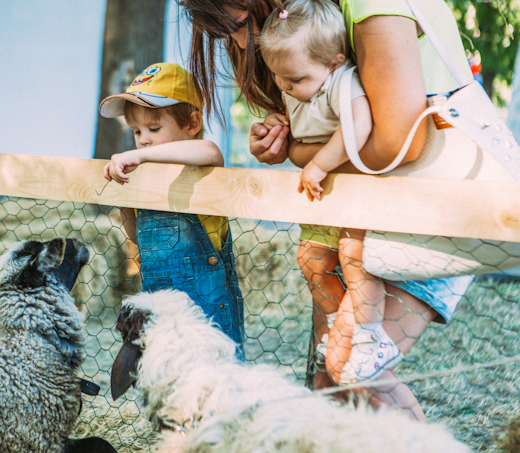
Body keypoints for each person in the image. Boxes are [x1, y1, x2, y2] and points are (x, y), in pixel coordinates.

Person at [179, 0, 474, 420]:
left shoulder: (372, 6)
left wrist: (303, 152)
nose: (243, 45)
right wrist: (290, 139)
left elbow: (398, 142)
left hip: (425, 213)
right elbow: (343, 138)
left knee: (348, 372)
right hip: (360, 218)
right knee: (330, 387)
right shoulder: (318, 30)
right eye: (228, 35)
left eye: (242, 24)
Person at [259, 0, 398, 386]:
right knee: (311, 259)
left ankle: (370, 336)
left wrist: (317, 164)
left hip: (356, 190)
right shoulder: (301, 84)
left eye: (294, 79)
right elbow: (300, 122)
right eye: (278, 78)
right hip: (326, 199)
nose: (285, 87)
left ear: (335, 60)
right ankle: (340, 323)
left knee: (354, 257)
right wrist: (278, 124)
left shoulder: (343, 81)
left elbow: (359, 124)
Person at [100, 62, 245, 360]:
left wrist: (139, 155)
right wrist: (125, 196)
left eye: (154, 128)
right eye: (137, 131)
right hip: (162, 317)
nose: (143, 139)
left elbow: (210, 152)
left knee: (215, 379)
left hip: (207, 321)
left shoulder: (200, 161)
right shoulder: (144, 177)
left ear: (192, 124)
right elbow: (136, 235)